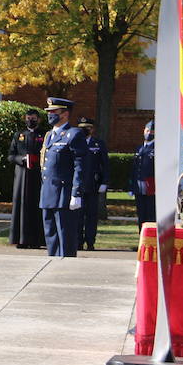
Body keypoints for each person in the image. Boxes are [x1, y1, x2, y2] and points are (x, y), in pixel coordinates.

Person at [40, 97, 88, 258]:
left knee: (65, 235)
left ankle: (66, 266)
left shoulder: (74, 135)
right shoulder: (49, 136)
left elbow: (79, 166)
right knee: (50, 234)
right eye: (49, 112)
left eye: (54, 112)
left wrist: (76, 193)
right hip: (48, 192)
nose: (50, 115)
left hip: (64, 193)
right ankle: (52, 263)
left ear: (65, 114)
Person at [8, 109, 45, 249]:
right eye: (29, 118)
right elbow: (11, 155)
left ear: (38, 119)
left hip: (37, 176)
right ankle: (21, 239)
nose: (31, 120)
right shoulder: (19, 135)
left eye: (34, 118)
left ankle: (37, 240)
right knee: (21, 206)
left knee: (37, 206)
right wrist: (21, 159)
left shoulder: (44, 135)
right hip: (22, 176)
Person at [77, 118, 109, 250]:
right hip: (78, 186)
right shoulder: (76, 142)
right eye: (82, 128)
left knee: (91, 216)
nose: (85, 130)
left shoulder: (98, 144)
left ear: (93, 129)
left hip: (93, 185)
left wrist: (104, 182)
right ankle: (78, 241)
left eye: (88, 128)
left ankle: (90, 241)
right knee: (78, 216)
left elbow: (105, 164)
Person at [128, 121, 156, 227]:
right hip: (139, 186)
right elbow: (134, 169)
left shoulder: (157, 148)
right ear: (144, 131)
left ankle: (151, 240)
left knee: (150, 214)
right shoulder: (139, 148)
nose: (149, 133)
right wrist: (131, 186)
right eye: (148, 130)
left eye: (152, 131)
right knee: (141, 214)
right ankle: (142, 238)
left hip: (151, 187)